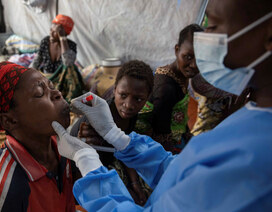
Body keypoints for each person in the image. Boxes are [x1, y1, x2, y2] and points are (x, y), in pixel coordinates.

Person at [51, 0, 272, 211]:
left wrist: (87, 160)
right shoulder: (252, 116)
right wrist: (117, 136)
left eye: (213, 25)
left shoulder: (257, 159)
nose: (206, 42)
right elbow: (179, 169)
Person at [0, 62, 75, 211]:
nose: (57, 94)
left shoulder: (63, 148)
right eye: (39, 93)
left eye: (51, 86)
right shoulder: (4, 190)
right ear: (9, 120)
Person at [70, 60, 154, 205]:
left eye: (138, 99)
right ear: (114, 90)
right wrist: (127, 191)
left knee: (147, 182)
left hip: (109, 159)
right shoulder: (97, 119)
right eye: (123, 95)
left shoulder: (129, 116)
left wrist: (135, 184)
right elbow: (86, 168)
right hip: (86, 169)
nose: (128, 105)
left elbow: (125, 148)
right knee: (128, 201)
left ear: (148, 97)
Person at [147, 24, 203, 154]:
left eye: (201, 58)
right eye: (188, 56)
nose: (194, 65)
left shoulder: (180, 74)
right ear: (177, 50)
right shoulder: (166, 89)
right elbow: (160, 137)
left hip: (176, 135)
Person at [32, 14, 84, 103]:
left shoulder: (71, 45)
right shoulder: (45, 41)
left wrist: (62, 38)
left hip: (62, 81)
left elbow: (68, 63)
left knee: (71, 69)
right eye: (50, 30)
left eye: (55, 32)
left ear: (64, 33)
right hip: (47, 79)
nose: (51, 34)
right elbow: (36, 61)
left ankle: (70, 101)